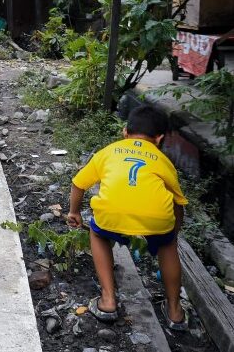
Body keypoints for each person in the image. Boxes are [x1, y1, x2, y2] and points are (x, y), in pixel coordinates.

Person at [66, 105, 188, 330]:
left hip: (112, 213)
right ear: (159, 138)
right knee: (168, 246)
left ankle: (108, 300)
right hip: (157, 218)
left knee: (98, 233)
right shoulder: (163, 161)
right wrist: (173, 232)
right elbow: (178, 202)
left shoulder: (109, 151)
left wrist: (74, 212)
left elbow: (78, 183)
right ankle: (175, 311)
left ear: (125, 132)